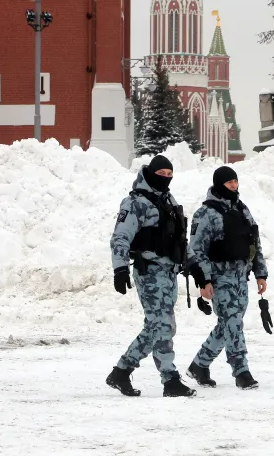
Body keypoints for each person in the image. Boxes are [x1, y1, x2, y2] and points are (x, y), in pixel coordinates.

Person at [106, 154, 196, 398]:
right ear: (150, 173)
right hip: (149, 271)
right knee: (163, 325)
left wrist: (193, 265)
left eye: (169, 175)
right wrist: (120, 268)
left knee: (157, 326)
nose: (165, 179)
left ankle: (121, 371)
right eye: (161, 174)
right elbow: (120, 237)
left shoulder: (168, 200)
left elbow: (177, 237)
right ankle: (170, 380)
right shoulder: (135, 202)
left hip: (169, 272)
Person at [185, 166, 268, 390]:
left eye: (235, 181)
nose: (233, 185)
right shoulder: (206, 213)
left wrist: (260, 272)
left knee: (230, 323)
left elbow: (254, 243)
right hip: (220, 276)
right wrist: (204, 280)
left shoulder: (243, 210)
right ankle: (241, 370)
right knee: (233, 323)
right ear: (219, 184)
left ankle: (199, 365)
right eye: (229, 182)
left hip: (241, 276)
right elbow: (197, 250)